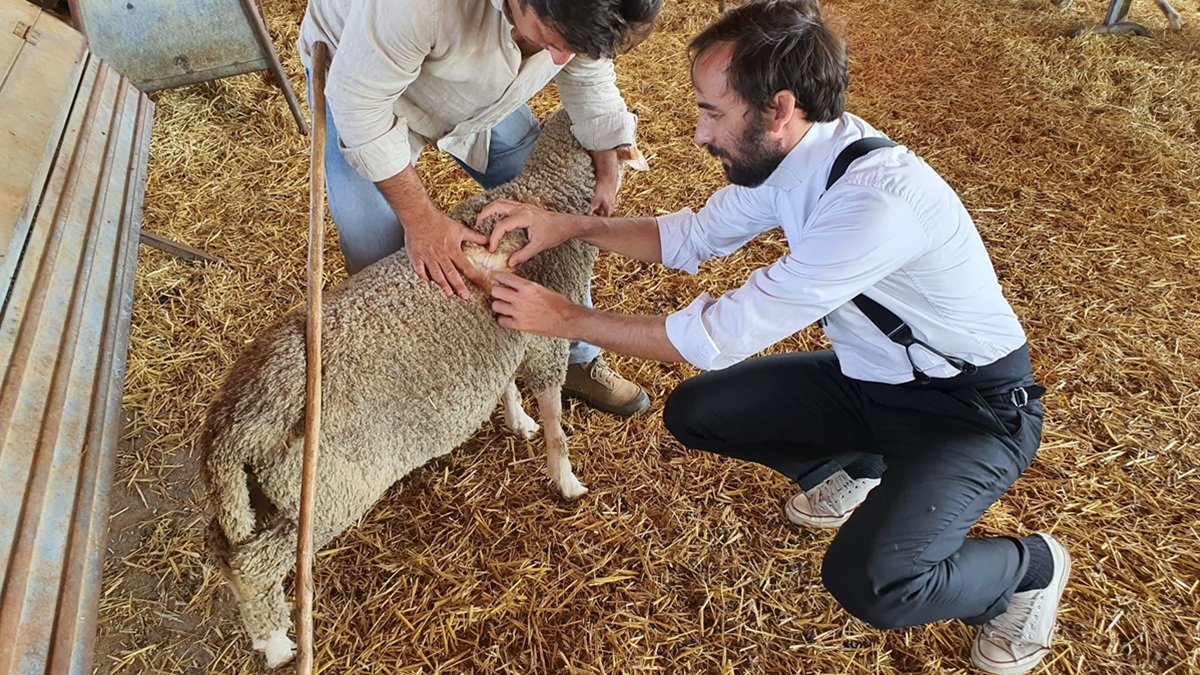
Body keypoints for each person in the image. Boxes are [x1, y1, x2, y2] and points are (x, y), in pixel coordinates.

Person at [476, 2, 1069, 673]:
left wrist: (566, 319)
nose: (699, 134)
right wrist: (569, 226)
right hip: (872, 380)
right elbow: (690, 237)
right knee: (699, 412)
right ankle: (863, 468)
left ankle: (1030, 571)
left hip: (971, 410)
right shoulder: (797, 158)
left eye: (711, 112)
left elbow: (716, 335)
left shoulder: (873, 205)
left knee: (873, 580)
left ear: (778, 108)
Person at [296, 0, 660, 416]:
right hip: (361, 76)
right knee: (378, 250)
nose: (559, 59)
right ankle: (409, 388)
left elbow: (585, 68)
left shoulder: (571, 24)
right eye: (552, 39)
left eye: (573, 47)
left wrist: (606, 146)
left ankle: (573, 358)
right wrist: (422, 221)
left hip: (481, 85)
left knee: (547, 216)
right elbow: (360, 108)